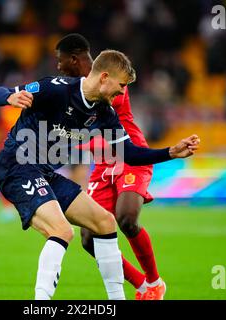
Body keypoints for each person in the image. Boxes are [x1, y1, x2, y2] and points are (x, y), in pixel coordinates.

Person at [0, 49, 200, 300]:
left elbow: (129, 154)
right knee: (62, 231)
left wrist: (171, 152)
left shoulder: (104, 114)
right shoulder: (55, 89)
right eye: (121, 85)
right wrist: (9, 99)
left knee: (105, 222)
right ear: (104, 77)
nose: (122, 92)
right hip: (16, 166)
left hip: (44, 173)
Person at [55, 33, 164, 300]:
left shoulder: (110, 80)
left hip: (129, 156)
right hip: (102, 163)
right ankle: (140, 285)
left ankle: (155, 282)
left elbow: (87, 121)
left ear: (75, 59)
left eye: (61, 61)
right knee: (88, 238)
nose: (58, 67)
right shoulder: (71, 87)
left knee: (126, 219)